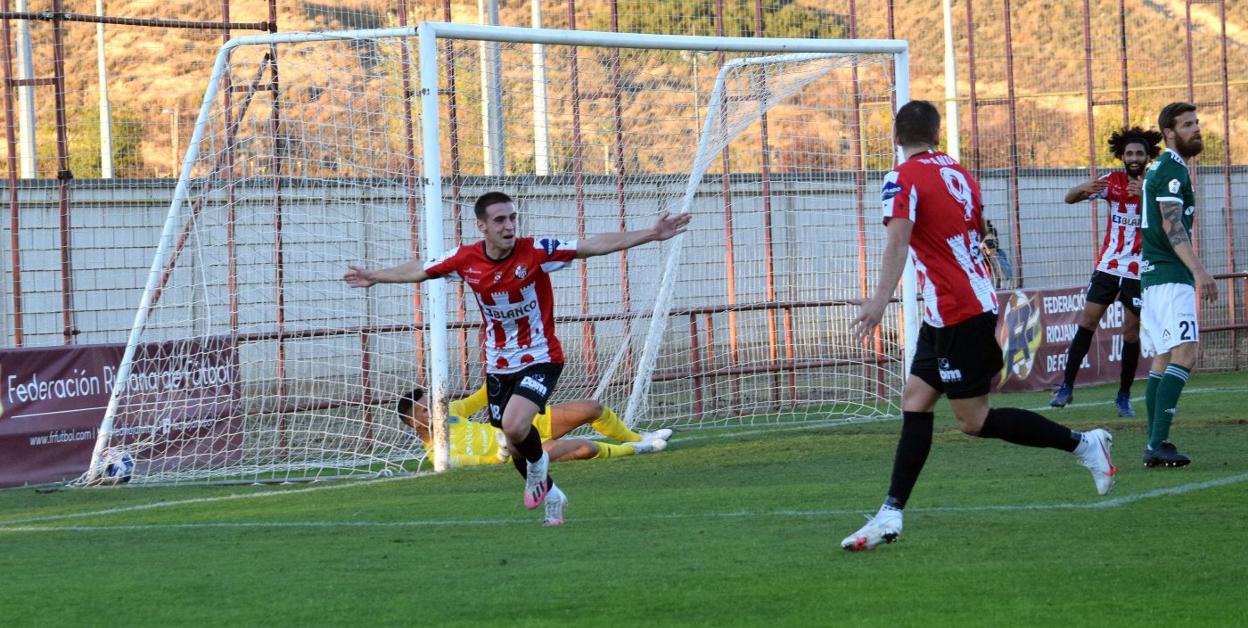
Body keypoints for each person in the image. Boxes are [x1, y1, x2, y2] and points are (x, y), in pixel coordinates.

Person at [841, 100, 1116, 552]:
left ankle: (1085, 444)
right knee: (915, 398)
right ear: (936, 132)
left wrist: (878, 300)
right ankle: (890, 514)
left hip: (958, 310)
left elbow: (899, 240)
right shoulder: (959, 172)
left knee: (973, 420)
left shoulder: (902, 177)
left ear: (895, 137)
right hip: (953, 306)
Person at [344, 191, 690, 526]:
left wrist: (650, 234)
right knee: (514, 444)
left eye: (512, 218)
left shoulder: (536, 251)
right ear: (482, 226)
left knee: (514, 425)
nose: (509, 226)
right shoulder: (465, 260)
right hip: (498, 364)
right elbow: (421, 268)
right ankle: (552, 495)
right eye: (500, 220)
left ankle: (544, 468)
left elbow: (591, 245)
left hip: (541, 356)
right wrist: (374, 277)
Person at [1050, 126, 1163, 416]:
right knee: (1088, 321)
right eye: (1129, 153)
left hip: (1139, 270)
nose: (1134, 157)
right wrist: (1082, 188)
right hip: (1109, 265)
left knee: (1130, 331)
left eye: (1139, 153)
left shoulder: (1155, 183)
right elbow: (1069, 198)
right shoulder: (1111, 182)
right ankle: (1066, 387)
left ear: (1148, 156)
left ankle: (1123, 396)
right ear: (1122, 156)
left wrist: (1149, 196)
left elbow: (1169, 222)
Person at [1138, 102, 1216, 468]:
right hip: (1170, 277)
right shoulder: (1171, 169)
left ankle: (1155, 443)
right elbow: (1173, 226)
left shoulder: (1164, 168)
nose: (1195, 129)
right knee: (1185, 353)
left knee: (1163, 357)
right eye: (1187, 125)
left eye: (1196, 123)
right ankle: (1157, 443)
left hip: (1152, 278)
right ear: (1169, 133)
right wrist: (1199, 271)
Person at [396, 385, 672, 468]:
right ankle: (636, 449)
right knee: (585, 448)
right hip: (519, 449)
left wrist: (500, 372)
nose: (435, 412)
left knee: (592, 408)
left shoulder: (452, 413)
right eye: (425, 410)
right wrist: (501, 455)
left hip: (524, 423)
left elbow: (481, 396)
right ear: (412, 423)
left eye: (433, 404)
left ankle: (639, 436)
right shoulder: (438, 455)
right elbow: (480, 460)